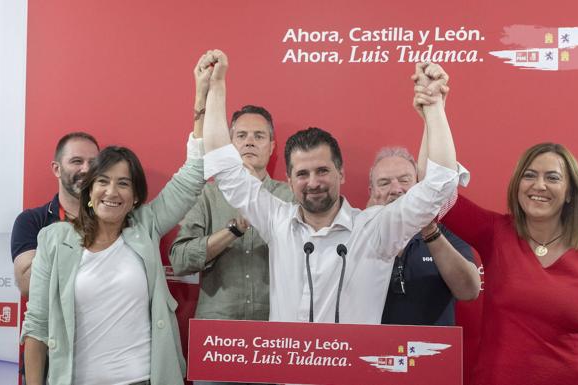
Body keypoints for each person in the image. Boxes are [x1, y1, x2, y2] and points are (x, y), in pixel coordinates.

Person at [200, 49, 467, 324]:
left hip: (357, 367)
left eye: (323, 171)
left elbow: (440, 184)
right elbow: (222, 164)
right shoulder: (276, 220)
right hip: (285, 365)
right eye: (303, 173)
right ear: (289, 181)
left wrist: (434, 108)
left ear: (341, 173)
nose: (313, 182)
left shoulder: (376, 227)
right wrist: (215, 88)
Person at [414, 67, 578, 385]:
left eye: (552, 177)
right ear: (517, 185)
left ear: (570, 193)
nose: (539, 185)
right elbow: (436, 190)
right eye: (529, 175)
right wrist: (434, 110)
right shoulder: (497, 233)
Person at [21, 120, 206, 384]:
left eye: (123, 183)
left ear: (135, 197)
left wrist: (200, 106)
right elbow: (37, 327)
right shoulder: (54, 240)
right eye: (103, 182)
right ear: (90, 191)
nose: (111, 192)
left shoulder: (146, 225)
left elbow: (190, 180)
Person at [169, 55, 293, 385]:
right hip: (218, 339)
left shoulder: (291, 197)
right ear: (228, 143)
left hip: (276, 334)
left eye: (259, 136)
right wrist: (233, 230)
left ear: (272, 146)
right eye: (241, 136)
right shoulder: (206, 195)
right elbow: (179, 260)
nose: (250, 141)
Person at [366, 147, 479, 326]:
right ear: (371, 191)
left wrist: (429, 229)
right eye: (384, 183)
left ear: (419, 185)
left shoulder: (448, 233)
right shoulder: (355, 236)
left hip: (432, 351)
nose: (396, 189)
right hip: (371, 350)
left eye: (404, 180)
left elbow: (469, 291)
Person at [11, 132, 99, 297]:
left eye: (93, 163)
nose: (86, 169)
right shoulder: (31, 220)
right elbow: (27, 285)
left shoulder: (112, 217)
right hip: (58, 322)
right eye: (77, 161)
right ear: (57, 169)